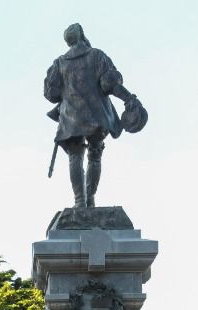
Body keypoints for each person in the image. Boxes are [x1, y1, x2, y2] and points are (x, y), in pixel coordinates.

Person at [43, 23, 142, 208]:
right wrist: (128, 98)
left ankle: (80, 201)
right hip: (97, 116)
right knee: (95, 154)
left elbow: (51, 94)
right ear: (82, 36)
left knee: (75, 156)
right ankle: (90, 200)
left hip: (71, 118)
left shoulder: (60, 63)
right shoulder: (97, 56)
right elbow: (109, 84)